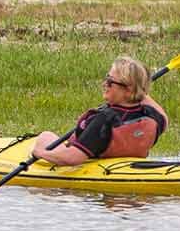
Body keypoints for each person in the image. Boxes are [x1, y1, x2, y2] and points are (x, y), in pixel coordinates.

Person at [31, 57, 169, 165]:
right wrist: (139, 88)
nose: (105, 84)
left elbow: (73, 158)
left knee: (45, 136)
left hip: (94, 163)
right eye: (106, 78)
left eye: (110, 82)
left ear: (128, 89)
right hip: (128, 164)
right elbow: (163, 116)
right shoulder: (152, 116)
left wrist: (40, 153)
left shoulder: (103, 121)